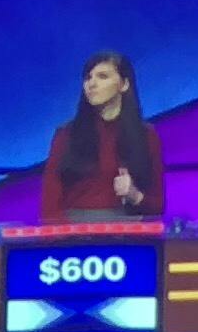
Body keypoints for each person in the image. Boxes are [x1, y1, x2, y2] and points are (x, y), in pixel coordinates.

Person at [40, 48, 165, 218]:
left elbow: (158, 207)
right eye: (88, 77)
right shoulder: (66, 135)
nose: (91, 84)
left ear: (124, 84)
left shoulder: (146, 136)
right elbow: (49, 207)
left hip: (126, 232)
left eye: (102, 76)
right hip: (74, 233)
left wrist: (135, 196)